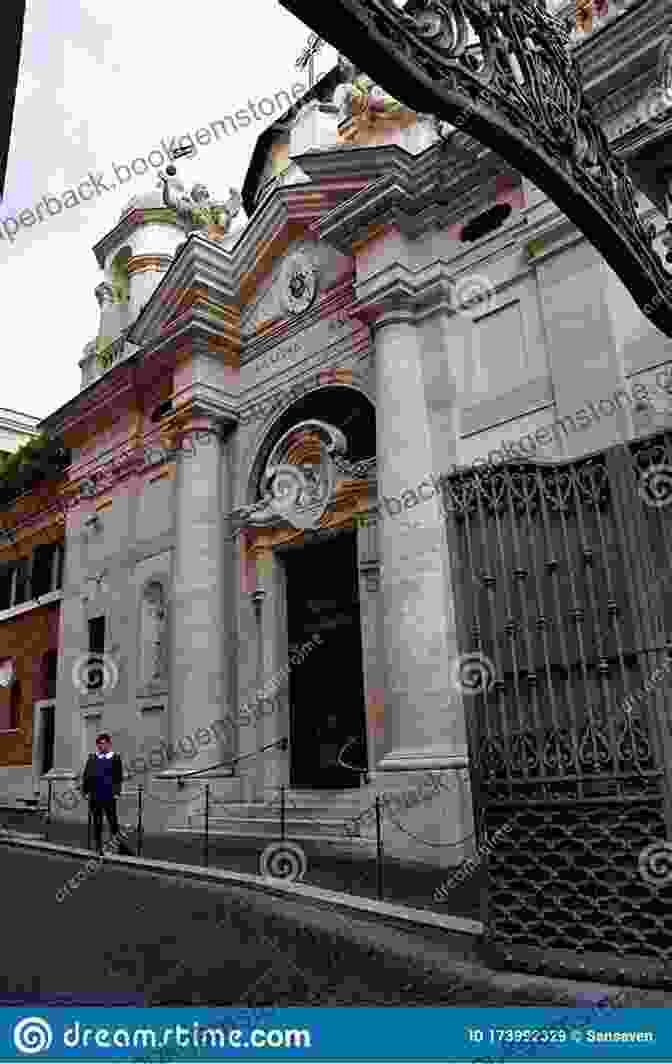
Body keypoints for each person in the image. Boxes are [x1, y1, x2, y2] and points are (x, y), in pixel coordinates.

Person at [81, 733, 133, 855]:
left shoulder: (115, 758)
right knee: (97, 821)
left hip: (109, 795)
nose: (101, 746)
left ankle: (118, 847)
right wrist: (85, 791)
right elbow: (87, 775)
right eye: (99, 744)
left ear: (109, 744)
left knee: (113, 822)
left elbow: (118, 777)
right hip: (95, 794)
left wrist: (117, 792)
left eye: (104, 744)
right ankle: (98, 847)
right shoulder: (92, 758)